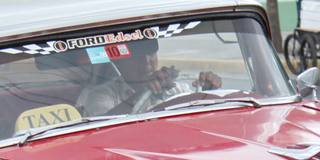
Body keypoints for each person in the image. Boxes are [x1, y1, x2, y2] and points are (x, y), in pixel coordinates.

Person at [75, 37, 221, 116]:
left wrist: (208, 94)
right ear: (118, 61)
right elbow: (100, 127)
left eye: (150, 54)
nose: (146, 63)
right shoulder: (102, 94)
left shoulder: (176, 89)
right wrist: (142, 93)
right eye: (136, 57)